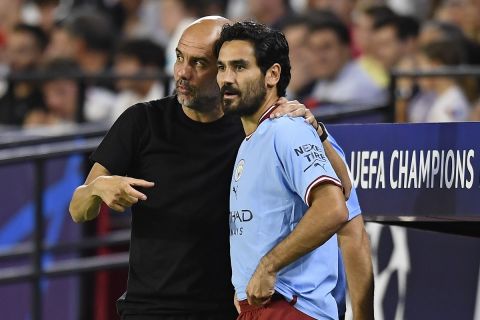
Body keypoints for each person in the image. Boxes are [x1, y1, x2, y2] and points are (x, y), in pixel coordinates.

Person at [69, 16, 370, 320]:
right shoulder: (142, 121)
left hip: (235, 309)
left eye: (200, 63)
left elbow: (344, 205)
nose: (182, 73)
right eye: (179, 58)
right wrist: (95, 189)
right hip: (151, 309)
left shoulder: (264, 127)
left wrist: (316, 131)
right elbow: (78, 210)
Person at [215, 21, 373, 319]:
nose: (226, 78)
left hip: (290, 306)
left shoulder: (289, 129)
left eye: (239, 67)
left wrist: (268, 267)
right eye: (222, 67)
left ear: (272, 74)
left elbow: (339, 215)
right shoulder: (253, 139)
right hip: (261, 306)